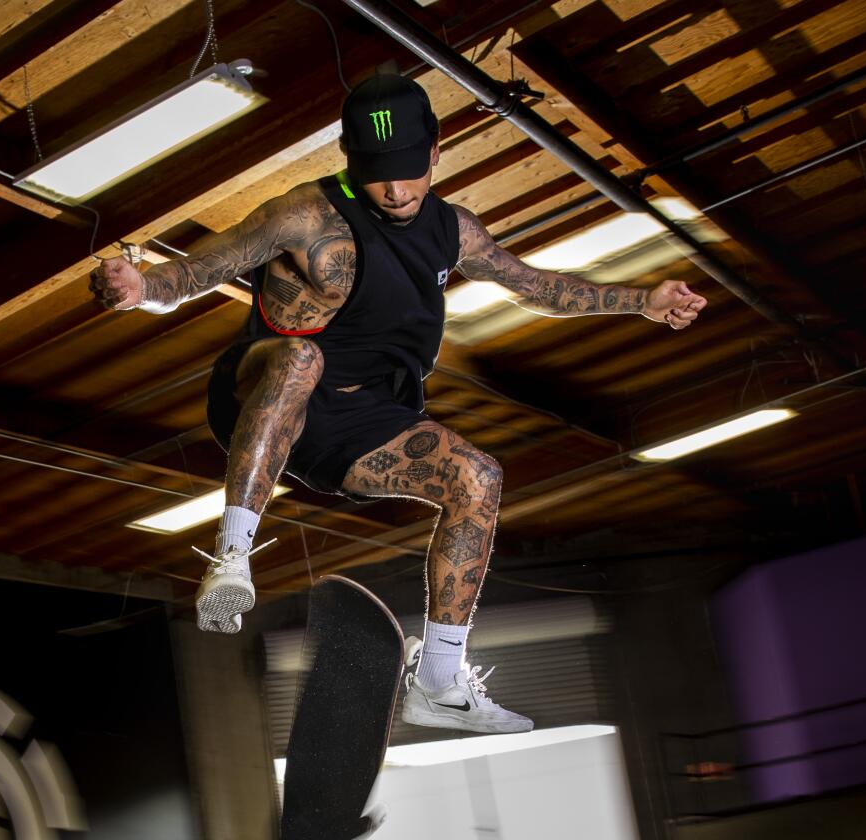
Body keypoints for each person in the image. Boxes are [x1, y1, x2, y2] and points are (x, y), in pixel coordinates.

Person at [90, 73, 705, 734]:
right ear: (352, 161)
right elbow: (196, 272)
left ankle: (438, 681)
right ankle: (232, 556)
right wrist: (140, 286)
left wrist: (641, 300)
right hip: (261, 389)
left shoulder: (455, 232)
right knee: (304, 355)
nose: (397, 189)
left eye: (410, 172)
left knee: (480, 478)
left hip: (361, 425)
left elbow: (534, 285)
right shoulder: (302, 214)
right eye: (379, 174)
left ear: (437, 153)